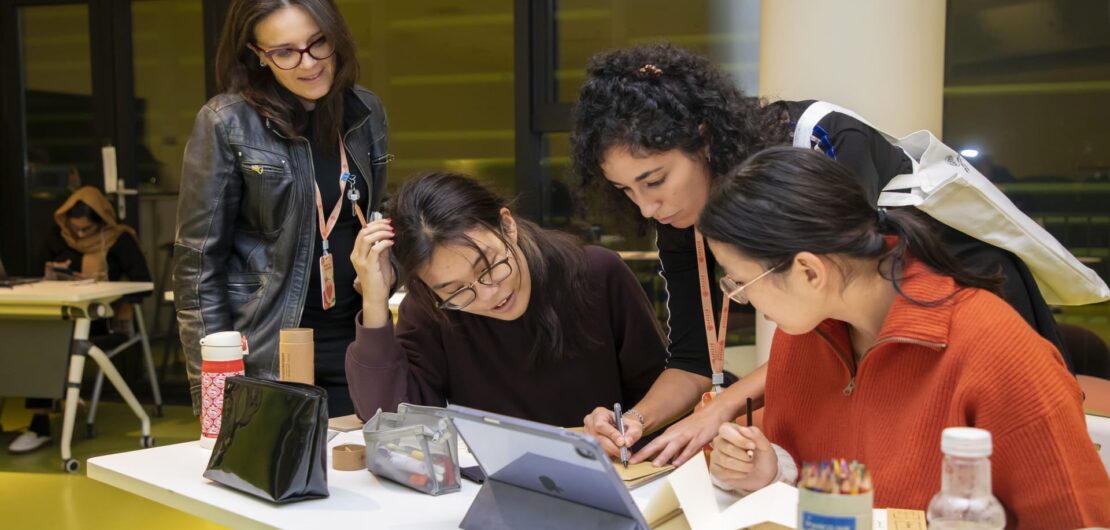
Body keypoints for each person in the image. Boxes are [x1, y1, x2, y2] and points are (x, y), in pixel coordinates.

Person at [569, 43, 1068, 466]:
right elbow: (695, 356)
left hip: (960, 302)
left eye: (654, 180)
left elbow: (848, 301)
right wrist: (631, 422)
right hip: (874, 347)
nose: (648, 205)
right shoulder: (678, 215)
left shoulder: (819, 140)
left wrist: (719, 409)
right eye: (626, 191)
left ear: (703, 139)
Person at [699, 147, 1110, 528]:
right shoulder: (806, 333)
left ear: (809, 272)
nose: (743, 298)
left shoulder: (994, 348)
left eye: (742, 281)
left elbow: (1078, 518)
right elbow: (832, 477)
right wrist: (773, 470)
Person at [174, 0, 389, 417]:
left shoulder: (365, 111)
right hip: (268, 353)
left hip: (354, 343)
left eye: (317, 43)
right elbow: (198, 267)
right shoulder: (226, 122)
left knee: (362, 478)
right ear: (258, 55)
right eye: (285, 52)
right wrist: (215, 390)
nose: (308, 64)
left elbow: (369, 214)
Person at [344, 172, 667, 427]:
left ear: (507, 225)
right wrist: (374, 301)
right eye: (456, 290)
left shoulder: (596, 274)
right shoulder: (432, 307)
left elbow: (660, 394)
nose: (488, 294)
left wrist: (627, 425)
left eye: (489, 266)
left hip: (613, 479)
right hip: (491, 486)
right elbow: (389, 419)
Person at [9, 186, 151, 454]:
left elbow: (144, 283)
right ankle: (48, 413)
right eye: (76, 230)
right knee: (30, 337)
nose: (80, 235)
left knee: (44, 343)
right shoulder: (59, 236)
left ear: (102, 221)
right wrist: (51, 273)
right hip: (58, 315)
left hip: (97, 318)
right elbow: (33, 274)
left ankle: (41, 423)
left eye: (87, 230)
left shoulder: (119, 239)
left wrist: (118, 296)